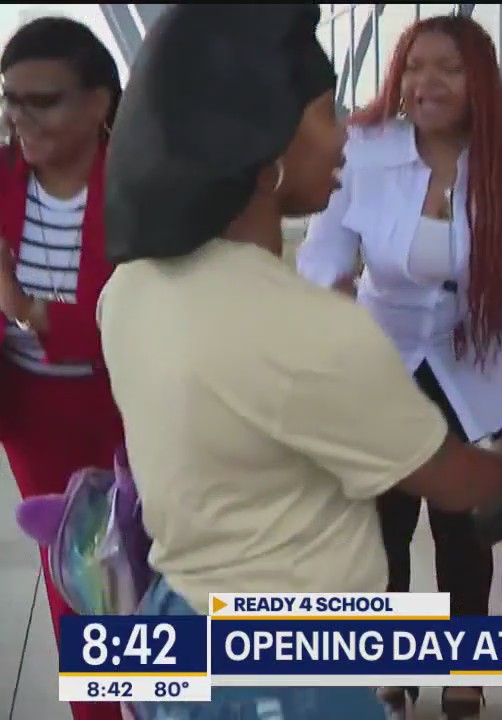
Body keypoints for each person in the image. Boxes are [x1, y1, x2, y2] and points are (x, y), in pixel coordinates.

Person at [97, 6, 502, 719]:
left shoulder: (128, 290)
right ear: (264, 152)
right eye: (324, 114)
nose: (348, 131)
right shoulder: (316, 335)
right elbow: (460, 482)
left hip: (179, 628)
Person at [296, 14, 502, 717]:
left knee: (463, 524)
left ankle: (465, 668)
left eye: (448, 68)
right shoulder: (364, 148)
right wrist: (330, 305)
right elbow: (324, 253)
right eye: (415, 66)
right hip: (384, 359)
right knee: (385, 523)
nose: (426, 83)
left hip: (480, 363)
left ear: (479, 80)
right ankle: (393, 662)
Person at [0, 18, 124, 720]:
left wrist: (28, 309)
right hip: (33, 416)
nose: (20, 117)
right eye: (11, 98)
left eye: (42, 100)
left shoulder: (144, 187)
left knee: (145, 569)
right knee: (73, 574)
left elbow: (137, 314)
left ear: (99, 103)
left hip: (130, 407)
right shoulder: (1, 178)